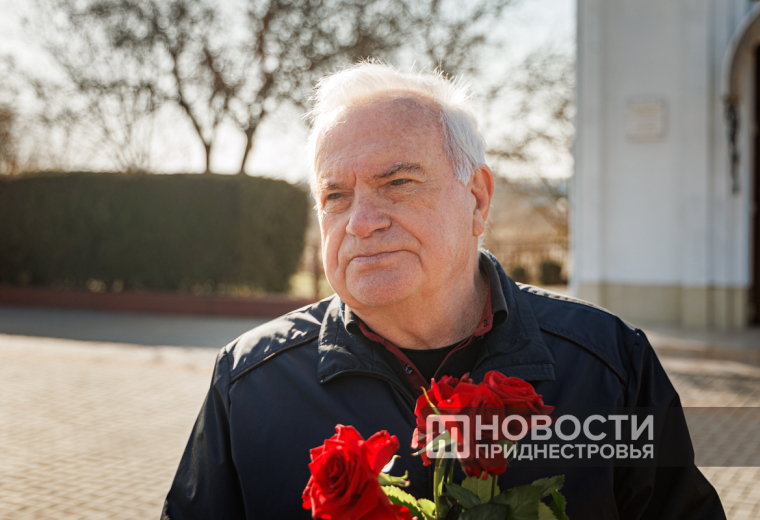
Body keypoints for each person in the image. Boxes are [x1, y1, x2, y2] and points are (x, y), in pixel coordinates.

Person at [161, 63, 725, 519]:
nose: (361, 222)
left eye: (397, 183)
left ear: (477, 199)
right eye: (335, 196)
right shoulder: (249, 384)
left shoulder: (608, 364)